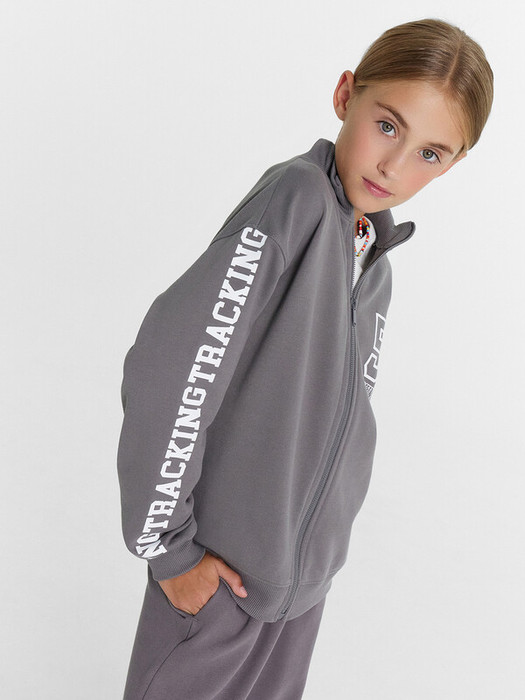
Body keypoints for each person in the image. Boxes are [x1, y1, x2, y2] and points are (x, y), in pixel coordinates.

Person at [117, 18, 493, 700]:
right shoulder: (293, 203)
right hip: (219, 588)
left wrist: (317, 561)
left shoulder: (372, 263)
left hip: (296, 597)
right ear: (345, 94)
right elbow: (173, 369)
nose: (393, 166)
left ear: (453, 163)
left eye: (429, 153)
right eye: (387, 125)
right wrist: (169, 549)